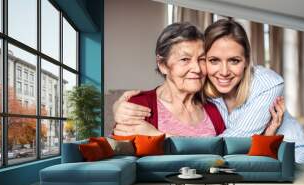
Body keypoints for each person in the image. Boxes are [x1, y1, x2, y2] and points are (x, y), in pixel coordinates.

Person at [113, 22, 284, 138]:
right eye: (185, 60)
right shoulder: (139, 106)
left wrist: (160, 137)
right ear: (163, 65)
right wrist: (117, 107)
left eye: (202, 59)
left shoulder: (214, 106)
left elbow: (223, 156)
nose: (197, 68)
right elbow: (117, 153)